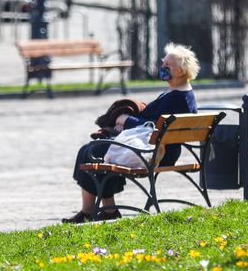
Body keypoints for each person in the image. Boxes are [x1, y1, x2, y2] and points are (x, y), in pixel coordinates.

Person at [62, 43, 200, 225]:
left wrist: (126, 119)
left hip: (154, 152)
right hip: (159, 148)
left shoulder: (177, 98)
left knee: (91, 152)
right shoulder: (181, 94)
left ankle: (92, 211)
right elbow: (156, 125)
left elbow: (153, 127)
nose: (163, 68)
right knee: (98, 148)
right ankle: (107, 210)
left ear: (181, 71)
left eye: (168, 66)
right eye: (163, 64)